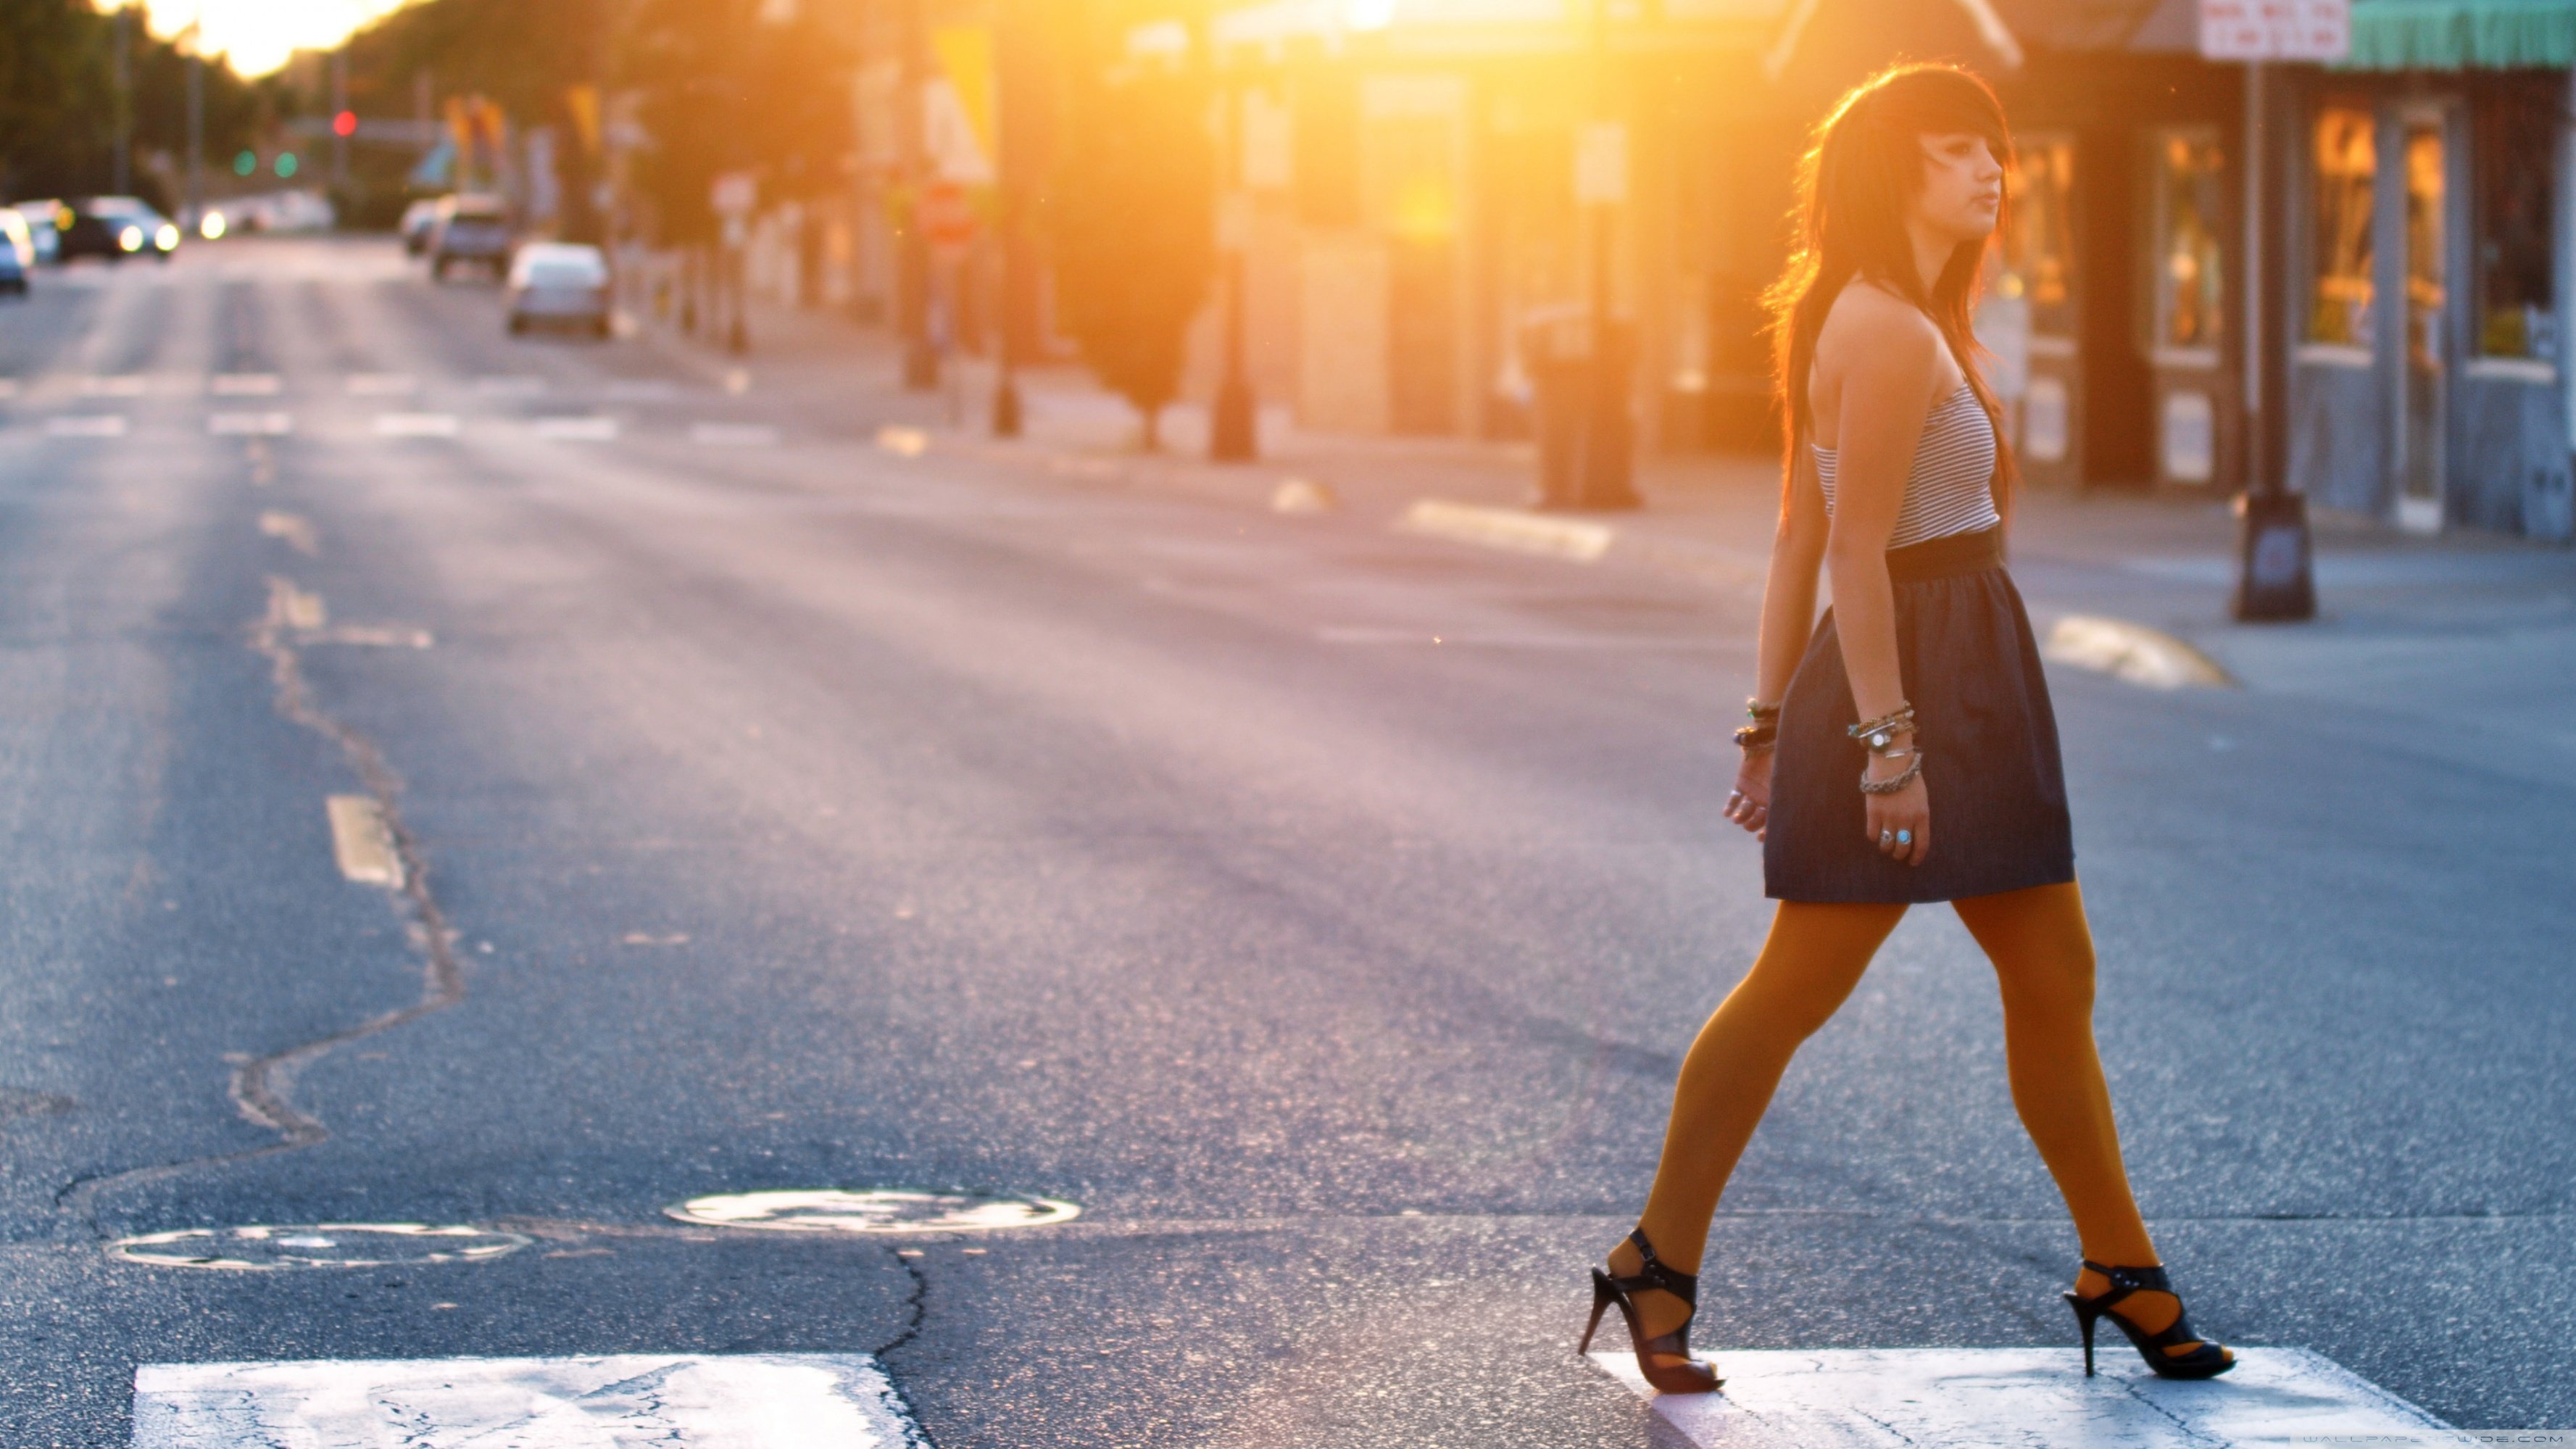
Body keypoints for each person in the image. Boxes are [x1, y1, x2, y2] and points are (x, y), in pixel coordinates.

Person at [1578, 63, 2234, 1393]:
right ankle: (1656, 1258)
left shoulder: (1889, 311)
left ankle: (2122, 1269)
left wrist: (1766, 723)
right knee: (1793, 992)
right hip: (1918, 679)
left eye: (1993, 149)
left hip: (1957, 671)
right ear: (1896, 172)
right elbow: (1849, 556)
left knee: (2052, 977)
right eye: (1954, 152)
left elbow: (1796, 534)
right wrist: (1884, 747)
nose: (1990, 171)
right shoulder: (1881, 327)